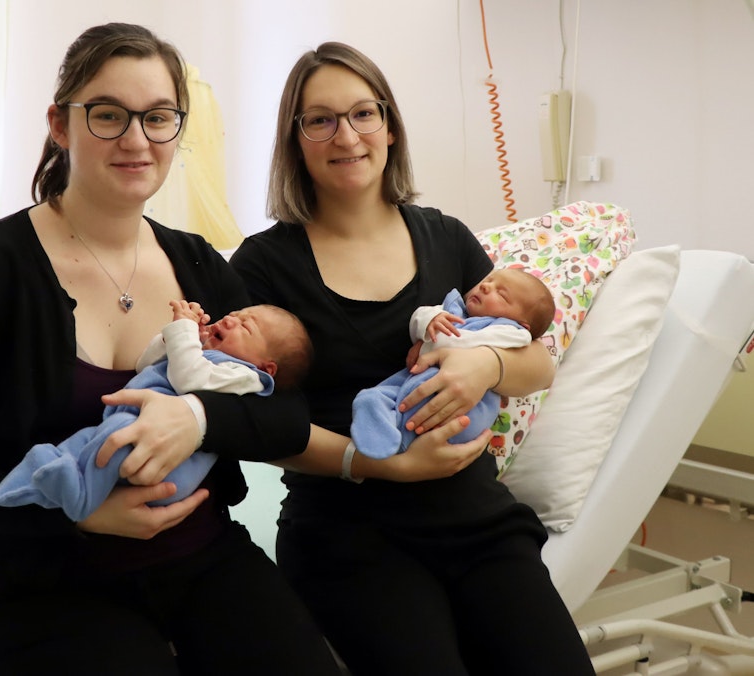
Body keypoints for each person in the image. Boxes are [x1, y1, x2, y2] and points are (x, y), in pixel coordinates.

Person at [0, 23, 342, 676]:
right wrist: (80, 516)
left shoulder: (201, 268)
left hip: (203, 559)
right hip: (39, 583)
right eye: (108, 115)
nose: (136, 139)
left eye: (158, 117)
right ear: (60, 124)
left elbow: (283, 413)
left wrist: (196, 417)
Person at [230, 41, 594, 675]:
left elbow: (539, 364)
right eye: (319, 119)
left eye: (363, 113)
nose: (346, 135)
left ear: (390, 126)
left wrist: (488, 367)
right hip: (347, 535)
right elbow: (251, 425)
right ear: (295, 138)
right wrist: (379, 466)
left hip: (477, 521)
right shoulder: (263, 266)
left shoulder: (445, 237)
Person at [0, 300, 312, 521]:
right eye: (237, 313)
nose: (230, 319)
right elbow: (146, 366)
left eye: (246, 326)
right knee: (86, 440)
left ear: (266, 366)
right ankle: (26, 485)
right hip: (128, 431)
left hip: (166, 466)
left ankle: (82, 499)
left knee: (112, 441)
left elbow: (189, 380)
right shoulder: (203, 354)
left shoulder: (244, 376)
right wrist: (175, 336)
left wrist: (185, 334)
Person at [351, 268, 555, 457]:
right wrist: (429, 320)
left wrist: (428, 344)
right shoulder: (454, 309)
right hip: (412, 380)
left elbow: (461, 343)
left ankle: (396, 441)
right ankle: (378, 434)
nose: (485, 286)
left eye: (501, 294)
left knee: (447, 422)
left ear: (522, 323)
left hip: (463, 404)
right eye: (489, 280)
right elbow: (418, 320)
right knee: (372, 397)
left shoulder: (512, 332)